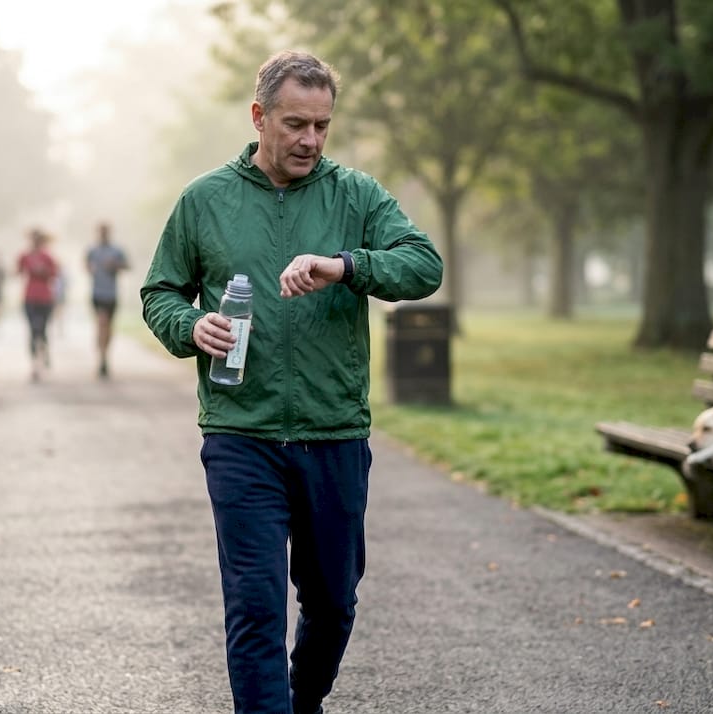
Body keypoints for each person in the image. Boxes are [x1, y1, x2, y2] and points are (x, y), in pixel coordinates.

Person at [140, 51, 442, 714]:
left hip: (333, 433)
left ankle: (303, 701)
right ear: (259, 117)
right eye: (295, 123)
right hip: (240, 433)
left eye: (322, 125)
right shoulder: (205, 201)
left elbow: (424, 266)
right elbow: (160, 290)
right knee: (254, 606)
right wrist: (191, 326)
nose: (309, 139)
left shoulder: (354, 195)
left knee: (333, 604)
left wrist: (345, 265)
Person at [16, 227, 60, 381]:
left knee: (42, 329)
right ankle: (35, 363)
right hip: (29, 297)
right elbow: (17, 272)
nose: (35, 241)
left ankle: (44, 352)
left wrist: (43, 271)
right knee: (33, 329)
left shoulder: (48, 257)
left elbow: (55, 274)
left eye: (38, 239)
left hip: (46, 298)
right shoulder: (24, 255)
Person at [86, 222, 128, 378]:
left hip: (112, 294)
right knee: (101, 323)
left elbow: (127, 266)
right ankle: (101, 357)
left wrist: (115, 265)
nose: (103, 234)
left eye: (106, 231)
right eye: (101, 231)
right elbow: (86, 266)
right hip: (97, 293)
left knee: (108, 327)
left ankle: (105, 354)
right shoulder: (92, 250)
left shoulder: (116, 250)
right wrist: (90, 269)